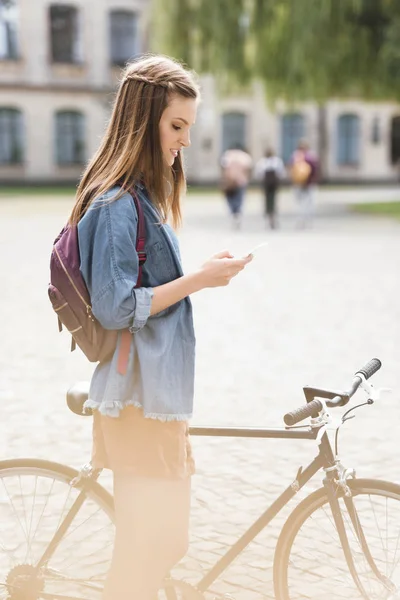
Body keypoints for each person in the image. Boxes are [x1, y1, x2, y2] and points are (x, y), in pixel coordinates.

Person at [67, 55, 252, 600]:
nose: (185, 141)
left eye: (189, 128)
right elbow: (116, 308)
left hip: (158, 399)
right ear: (143, 121)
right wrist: (197, 279)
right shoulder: (118, 202)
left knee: (163, 545)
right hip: (135, 401)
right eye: (177, 126)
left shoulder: (143, 197)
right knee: (145, 554)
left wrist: (199, 273)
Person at [220, 145, 253, 229]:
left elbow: (223, 168)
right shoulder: (244, 156)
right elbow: (248, 169)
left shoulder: (227, 155)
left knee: (230, 198)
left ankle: (233, 213)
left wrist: (224, 179)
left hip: (229, 180)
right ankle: (237, 213)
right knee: (239, 198)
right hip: (241, 181)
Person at [290, 139, 319, 228]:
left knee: (300, 203)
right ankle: (308, 219)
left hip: (298, 183)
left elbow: (291, 168)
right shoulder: (311, 156)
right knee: (309, 202)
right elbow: (315, 169)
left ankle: (301, 219)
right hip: (309, 183)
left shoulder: (295, 155)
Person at [254, 147, 285, 229]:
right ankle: (272, 215)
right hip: (273, 183)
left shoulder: (262, 162)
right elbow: (281, 172)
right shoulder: (277, 161)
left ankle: (270, 214)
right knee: (273, 199)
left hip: (267, 183)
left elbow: (258, 173)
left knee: (268, 199)